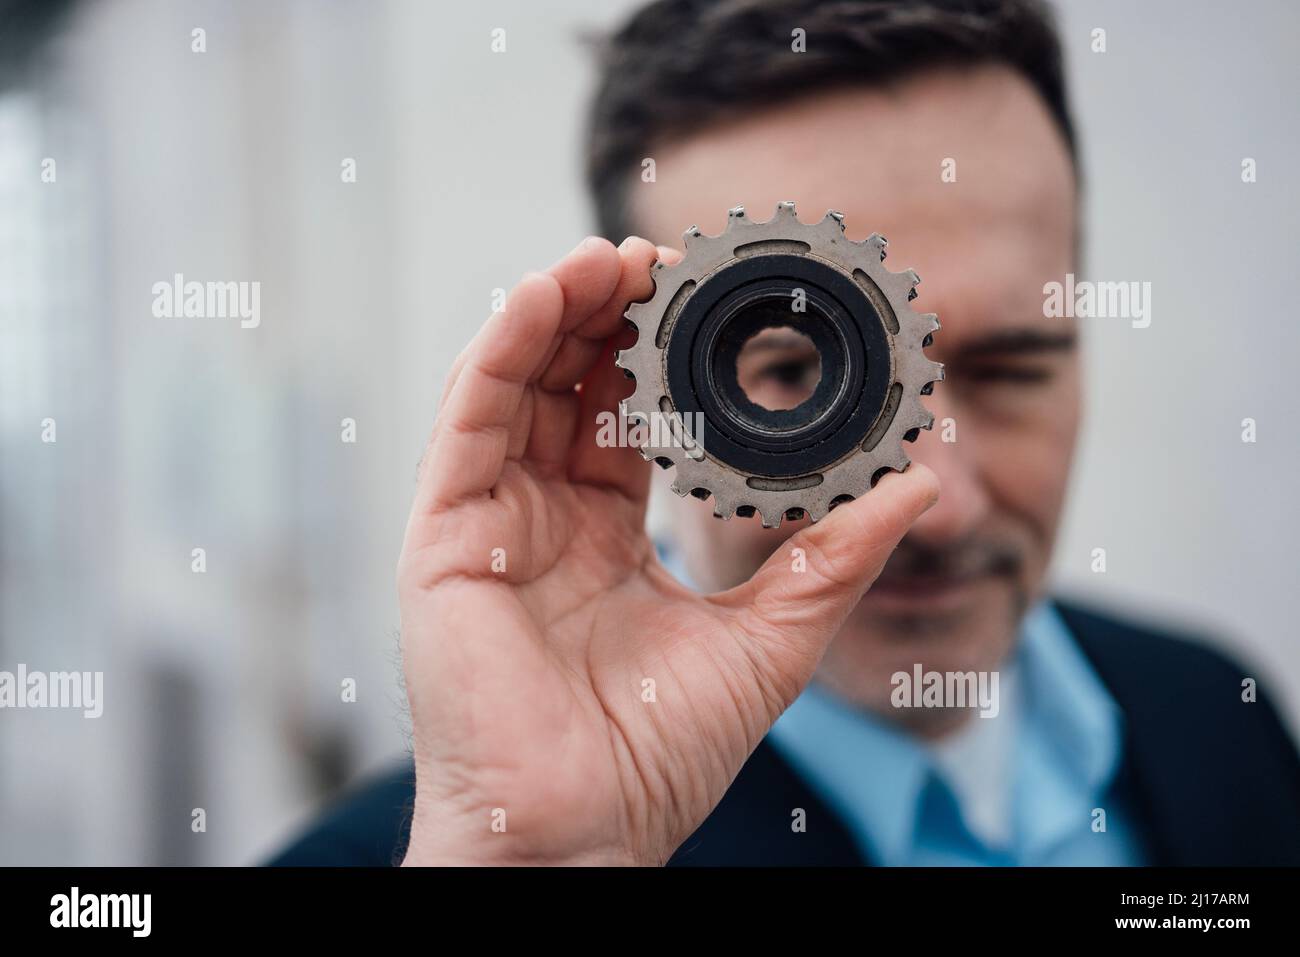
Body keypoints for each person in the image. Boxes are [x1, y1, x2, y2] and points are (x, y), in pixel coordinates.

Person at [270, 0, 1300, 867]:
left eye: (1009, 369)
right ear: (638, 386)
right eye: (795, 376)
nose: (934, 501)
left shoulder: (1220, 712)